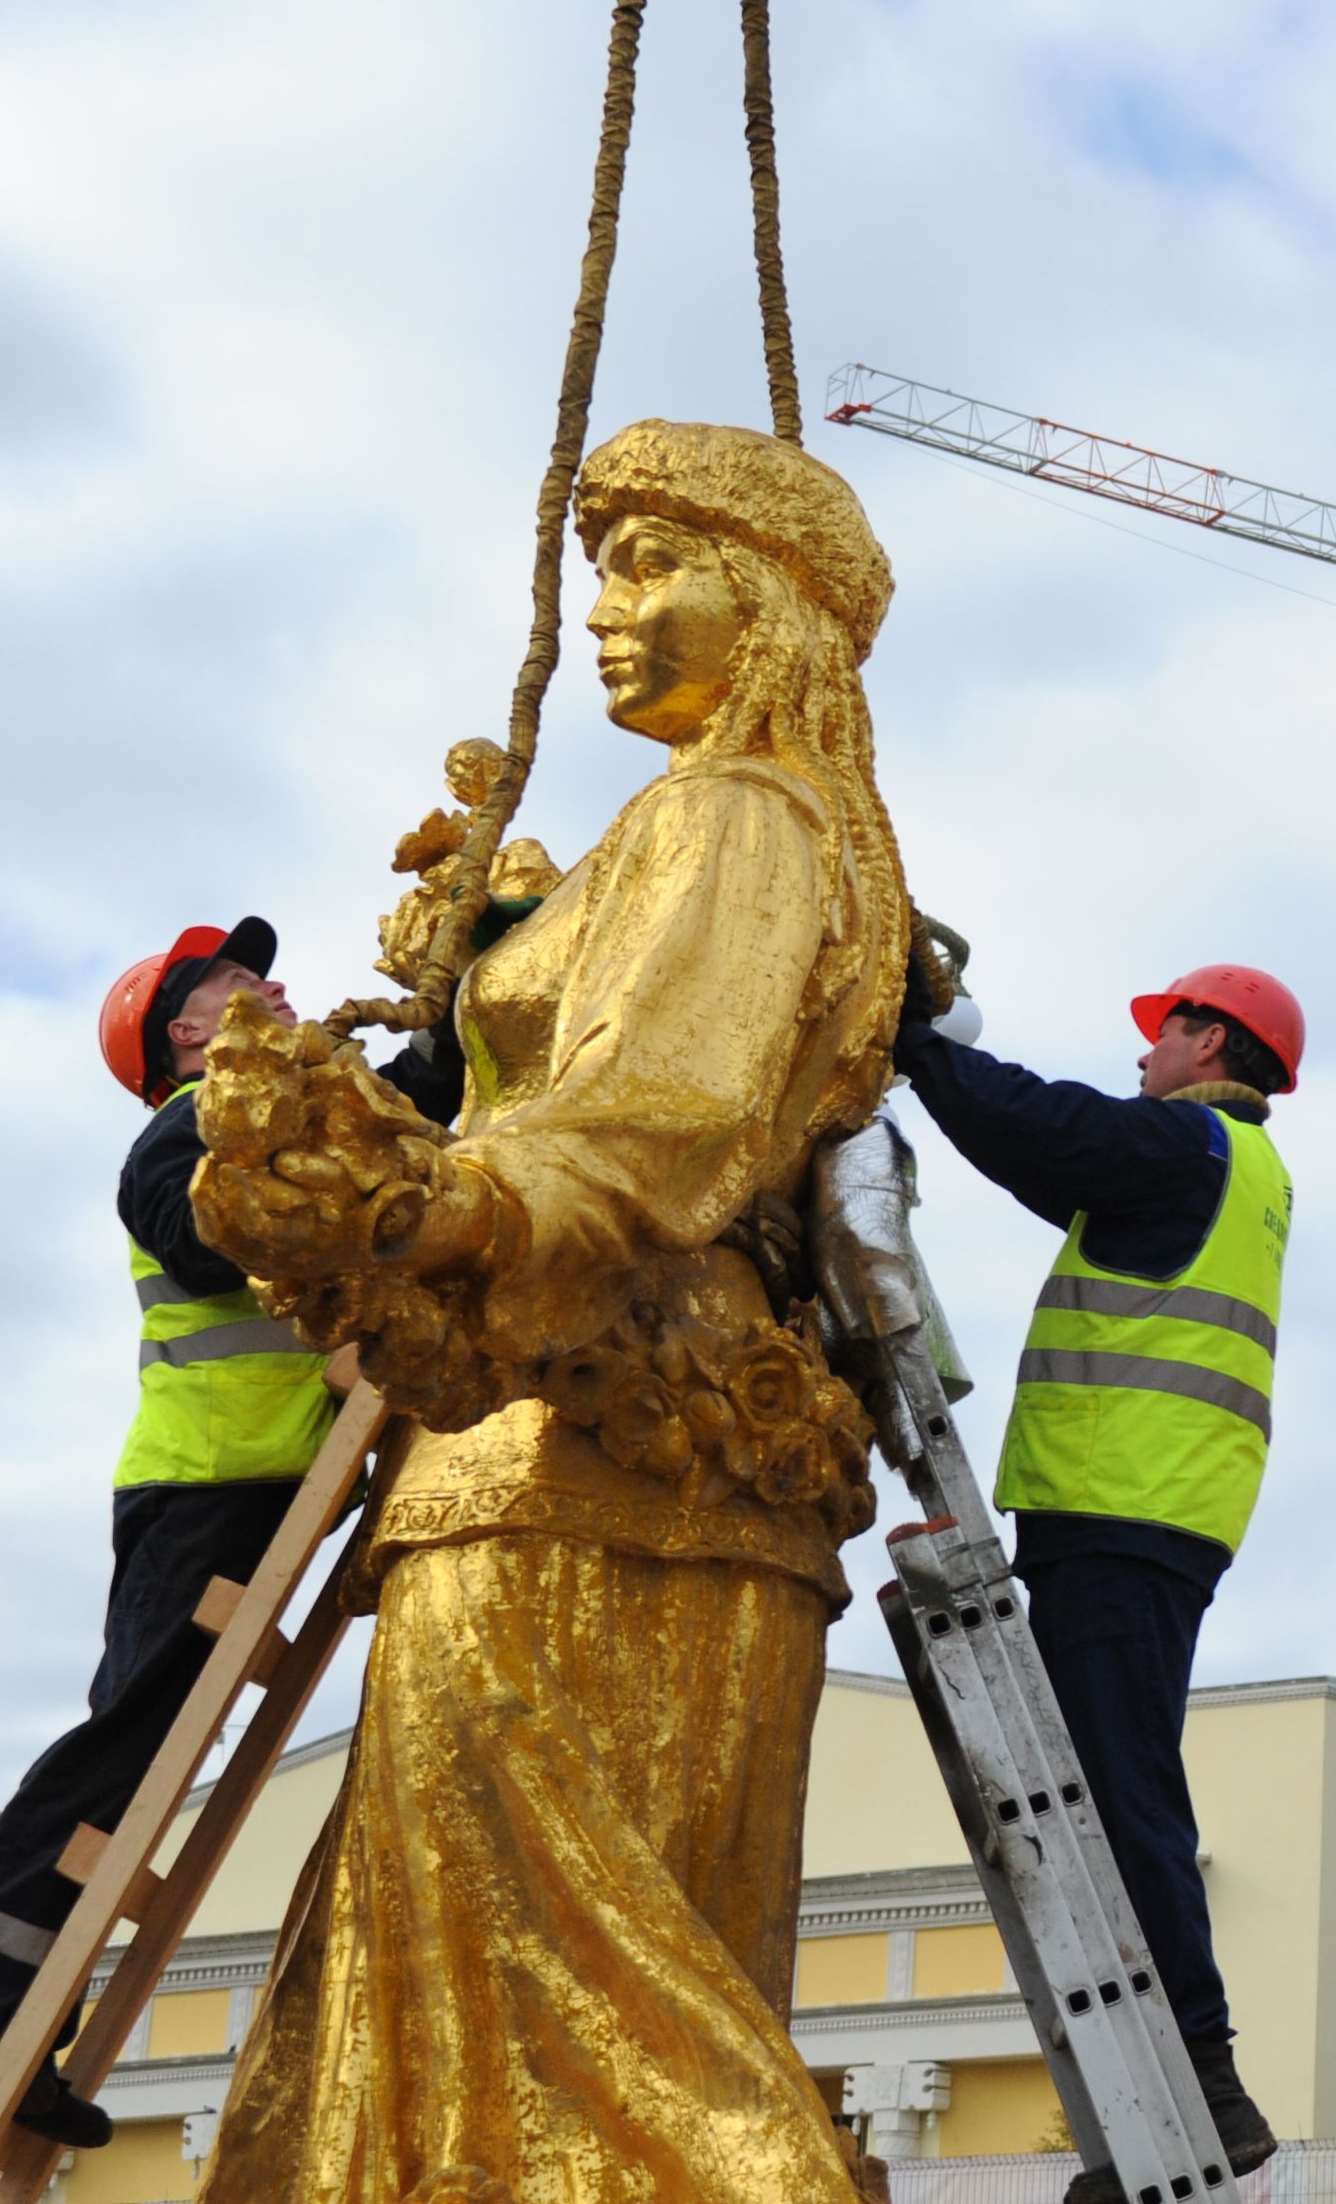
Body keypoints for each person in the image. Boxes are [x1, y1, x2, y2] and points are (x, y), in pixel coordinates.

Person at [187, 419, 909, 2204]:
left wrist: (440, 1202)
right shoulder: (688, 830)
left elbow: (658, 1107)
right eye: (602, 564)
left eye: (657, 560)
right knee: (484, 2023)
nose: (608, 606)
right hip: (569, 1439)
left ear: (783, 601)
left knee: (573, 2028)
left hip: (598, 1450)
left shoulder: (735, 813)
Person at [0, 917, 453, 2145]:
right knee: (126, 1748)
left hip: (247, 1479)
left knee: (137, 1772)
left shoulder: (291, 1113)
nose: (275, 987)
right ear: (186, 1032)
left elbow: (424, 1100)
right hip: (206, 1485)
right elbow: (201, 1226)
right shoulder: (182, 1132)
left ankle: (17, 2037)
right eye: (240, 982)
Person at [890, 955, 1303, 2185]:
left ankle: (1200, 2075)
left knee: (1117, 1792)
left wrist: (916, 1047)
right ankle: (1155, 2122)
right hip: (1143, 1514)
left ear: (1210, 1043)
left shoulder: (1188, 1151)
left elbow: (1039, 1129)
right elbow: (1048, 1155)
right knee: (1110, 1784)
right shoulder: (1220, 1174)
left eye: (1160, 1032)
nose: (1142, 1053)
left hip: (1127, 1511)